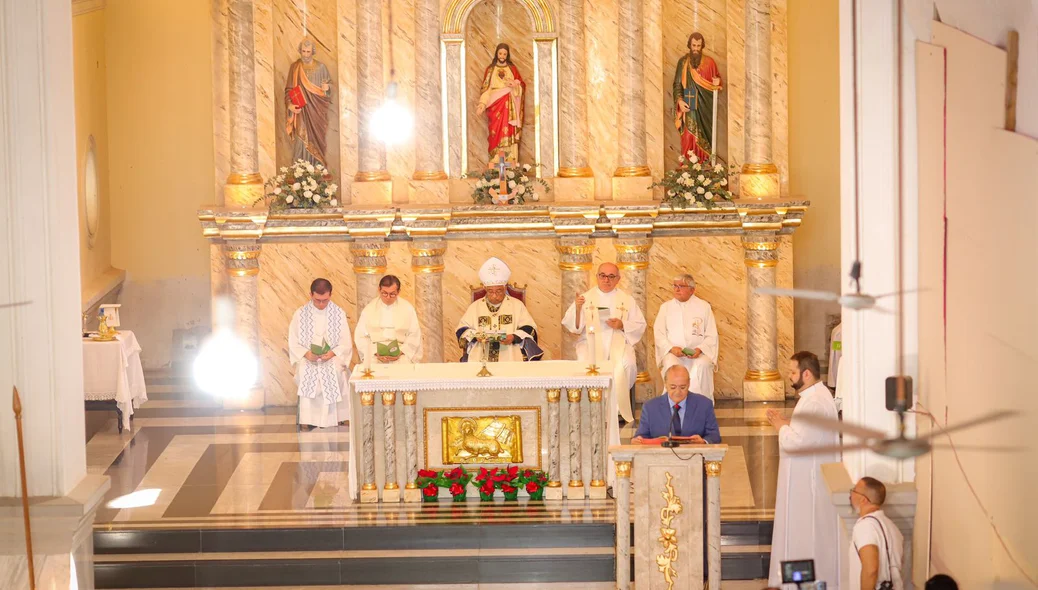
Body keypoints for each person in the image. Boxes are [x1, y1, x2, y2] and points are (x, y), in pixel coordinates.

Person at [766, 351, 841, 588]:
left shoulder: (815, 401)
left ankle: (802, 584)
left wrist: (780, 427)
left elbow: (798, 442)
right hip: (808, 481)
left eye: (793, 372)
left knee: (804, 539)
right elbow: (808, 433)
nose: (789, 377)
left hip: (807, 488)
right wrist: (788, 424)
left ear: (806, 374)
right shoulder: (814, 397)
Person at [562, 262, 647, 424]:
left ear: (618, 279)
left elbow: (640, 325)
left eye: (611, 276)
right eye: (603, 276)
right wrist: (579, 309)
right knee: (585, 363)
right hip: (590, 341)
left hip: (619, 340)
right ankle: (590, 407)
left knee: (626, 363)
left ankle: (615, 408)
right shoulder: (585, 298)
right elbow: (574, 327)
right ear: (597, 277)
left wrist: (621, 325)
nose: (606, 280)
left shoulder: (627, 300)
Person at [288, 278, 351, 429]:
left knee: (336, 370)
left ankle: (335, 418)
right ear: (310, 294)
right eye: (317, 300)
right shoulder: (300, 314)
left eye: (325, 300)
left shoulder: (338, 313)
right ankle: (308, 419)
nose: (321, 304)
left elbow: (345, 342)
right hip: (309, 357)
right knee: (305, 370)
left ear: (330, 295)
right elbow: (293, 341)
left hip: (331, 357)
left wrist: (333, 353)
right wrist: (306, 353)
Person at [456, 257, 542, 362]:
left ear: (505, 288)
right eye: (490, 291)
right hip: (480, 357)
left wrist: (513, 337)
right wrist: (475, 336)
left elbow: (530, 329)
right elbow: (462, 331)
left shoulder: (517, 305)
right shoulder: (475, 307)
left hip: (510, 356)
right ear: (485, 289)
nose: (494, 296)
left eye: (499, 291)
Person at [653, 273, 719, 402]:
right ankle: (673, 406)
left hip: (698, 354)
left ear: (692, 290)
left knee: (703, 365)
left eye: (681, 286)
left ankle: (700, 406)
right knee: (671, 365)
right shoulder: (665, 308)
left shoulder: (704, 307)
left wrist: (700, 349)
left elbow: (712, 335)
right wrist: (671, 348)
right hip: (674, 353)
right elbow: (659, 333)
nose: (677, 289)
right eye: (675, 286)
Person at [633, 365, 720, 444]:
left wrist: (703, 442)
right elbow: (641, 436)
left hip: (694, 457)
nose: (678, 392)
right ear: (665, 384)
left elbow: (714, 436)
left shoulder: (704, 405)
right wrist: (637, 440)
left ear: (689, 384)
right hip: (660, 459)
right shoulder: (650, 407)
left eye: (683, 387)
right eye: (673, 387)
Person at [673, 31, 722, 164]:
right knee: (689, 137)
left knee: (706, 137)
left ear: (702, 46)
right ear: (689, 45)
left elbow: (716, 82)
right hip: (689, 106)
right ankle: (688, 167)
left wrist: (717, 83)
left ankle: (706, 165)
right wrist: (680, 101)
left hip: (706, 109)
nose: (695, 49)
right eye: (693, 45)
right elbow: (677, 84)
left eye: (698, 46)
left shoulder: (710, 63)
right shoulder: (683, 63)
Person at [849, 476, 905, 590]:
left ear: (863, 499)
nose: (850, 495)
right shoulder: (892, 527)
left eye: (853, 491)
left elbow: (871, 570)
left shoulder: (865, 526)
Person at [284, 38, 333, 167]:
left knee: (317, 140)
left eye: (308, 52)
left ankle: (316, 169)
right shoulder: (295, 67)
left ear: (313, 52)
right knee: (300, 141)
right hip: (301, 112)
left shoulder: (321, 68)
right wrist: (290, 105)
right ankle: (299, 170)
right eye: (303, 51)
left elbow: (329, 91)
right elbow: (289, 90)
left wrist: (327, 89)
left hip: (317, 112)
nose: (305, 55)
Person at [355, 275, 423, 365]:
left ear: (398, 292)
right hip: (375, 352)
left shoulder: (407, 308)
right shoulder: (369, 309)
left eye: (392, 294)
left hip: (400, 351)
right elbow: (361, 335)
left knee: (404, 366)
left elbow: (414, 335)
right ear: (379, 290)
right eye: (384, 293)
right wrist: (375, 352)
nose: (388, 297)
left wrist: (401, 351)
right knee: (371, 367)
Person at [475, 43, 525, 164]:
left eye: (504, 54)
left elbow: (521, 85)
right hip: (495, 107)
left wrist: (515, 85)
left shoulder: (512, 69)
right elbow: (486, 89)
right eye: (500, 53)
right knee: (495, 132)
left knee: (509, 130)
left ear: (507, 55)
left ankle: (510, 160)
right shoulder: (490, 70)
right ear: (497, 54)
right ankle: (496, 159)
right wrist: (482, 104)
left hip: (510, 107)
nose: (502, 56)